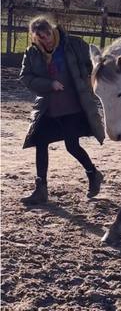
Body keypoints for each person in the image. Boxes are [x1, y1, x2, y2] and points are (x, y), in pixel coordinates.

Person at [19, 16, 105, 205]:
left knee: (71, 146)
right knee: (40, 142)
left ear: (52, 29)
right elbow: (26, 77)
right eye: (40, 36)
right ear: (35, 37)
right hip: (48, 107)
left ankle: (93, 174)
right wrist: (49, 84)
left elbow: (94, 63)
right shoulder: (32, 52)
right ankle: (41, 189)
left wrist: (89, 78)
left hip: (73, 107)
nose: (46, 39)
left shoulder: (72, 44)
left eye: (47, 34)